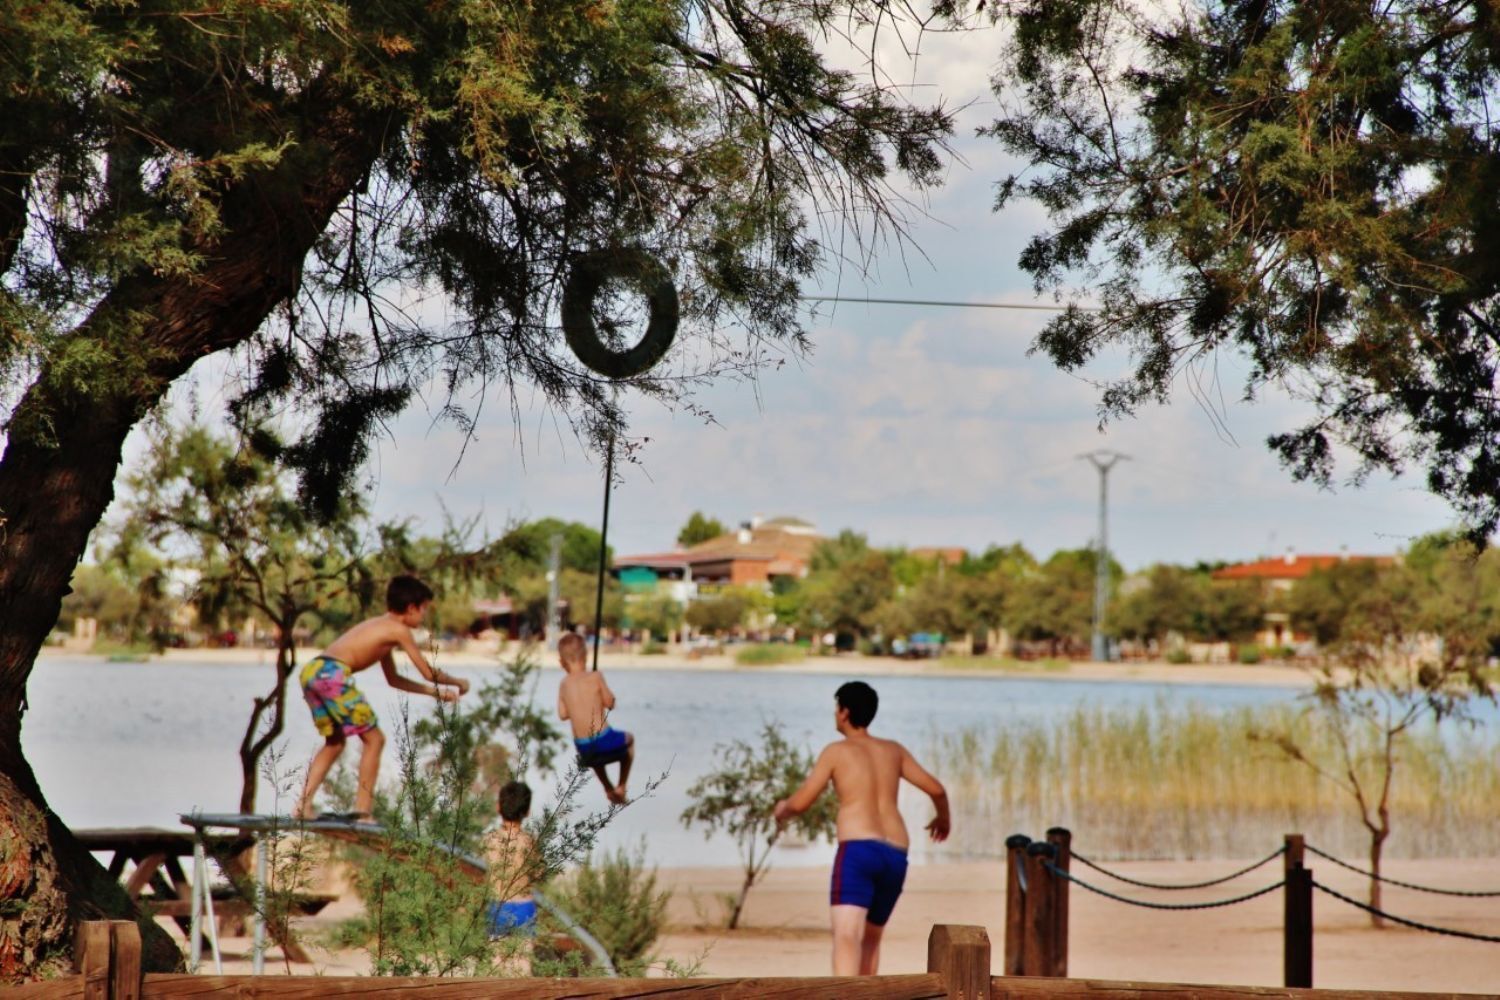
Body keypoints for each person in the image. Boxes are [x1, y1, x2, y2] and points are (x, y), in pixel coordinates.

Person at [773, 680, 950, 976]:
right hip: (895, 854)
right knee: (870, 940)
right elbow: (937, 790)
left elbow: (801, 802)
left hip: (858, 850)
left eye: (836, 708)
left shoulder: (836, 752)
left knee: (846, 936)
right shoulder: (893, 750)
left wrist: (782, 809)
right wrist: (944, 819)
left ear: (844, 712)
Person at [294, 574, 469, 821]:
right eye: (424, 610)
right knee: (374, 740)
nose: (425, 615)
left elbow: (394, 679)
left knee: (335, 742)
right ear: (411, 608)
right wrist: (459, 682)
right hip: (332, 675)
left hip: (313, 671)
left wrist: (436, 693)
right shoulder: (399, 631)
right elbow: (428, 672)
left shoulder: (382, 627)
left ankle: (303, 806)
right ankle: (363, 811)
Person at [556, 632, 634, 804]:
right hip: (604, 740)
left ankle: (607, 787)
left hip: (583, 749)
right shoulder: (596, 676)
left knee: (593, 752)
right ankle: (621, 786)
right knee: (630, 740)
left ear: (561, 662)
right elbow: (610, 703)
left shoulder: (564, 684)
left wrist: (576, 706)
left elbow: (562, 714)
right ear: (586, 656)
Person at [485, 781, 539, 939]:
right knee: (523, 961)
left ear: (498, 807)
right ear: (527, 811)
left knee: (496, 961)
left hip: (498, 905)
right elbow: (539, 873)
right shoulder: (529, 841)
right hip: (524, 906)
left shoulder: (490, 840)